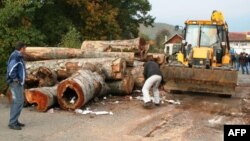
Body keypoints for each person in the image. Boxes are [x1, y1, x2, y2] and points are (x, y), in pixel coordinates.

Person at [6, 41, 26, 130]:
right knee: (19, 101)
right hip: (15, 83)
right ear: (21, 48)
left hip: (17, 82)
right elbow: (11, 69)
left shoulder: (17, 55)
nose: (25, 50)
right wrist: (15, 79)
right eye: (25, 48)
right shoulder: (16, 56)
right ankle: (12, 123)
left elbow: (18, 68)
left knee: (16, 102)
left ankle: (14, 120)